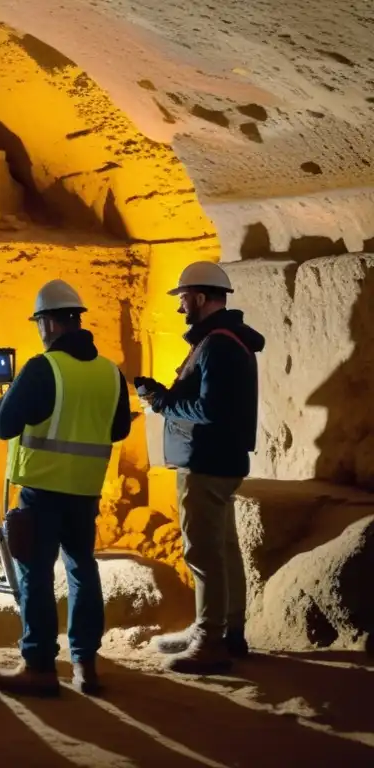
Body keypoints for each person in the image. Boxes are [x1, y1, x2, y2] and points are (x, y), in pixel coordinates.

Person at [0, 280, 131, 697]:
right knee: (83, 570)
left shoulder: (42, 367)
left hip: (40, 489)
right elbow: (118, 428)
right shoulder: (110, 371)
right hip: (84, 491)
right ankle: (86, 664)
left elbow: (3, 426)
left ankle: (38, 666)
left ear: (48, 323)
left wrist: (1, 403)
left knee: (34, 574)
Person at [135, 261, 265, 675]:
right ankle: (227, 631)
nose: (181, 307)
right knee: (223, 549)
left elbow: (210, 409)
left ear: (204, 297)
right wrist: (165, 395)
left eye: (185, 298)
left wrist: (161, 402)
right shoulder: (224, 341)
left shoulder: (218, 344)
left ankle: (210, 642)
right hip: (218, 460)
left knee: (204, 553)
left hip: (206, 462)